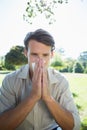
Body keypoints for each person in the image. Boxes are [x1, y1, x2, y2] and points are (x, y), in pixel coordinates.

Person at [0, 29, 80, 130]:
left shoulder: (61, 81)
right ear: (26, 53)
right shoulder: (10, 80)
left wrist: (48, 98)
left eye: (45, 55)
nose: (40, 61)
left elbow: (75, 126)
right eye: (34, 55)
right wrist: (33, 96)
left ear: (52, 55)